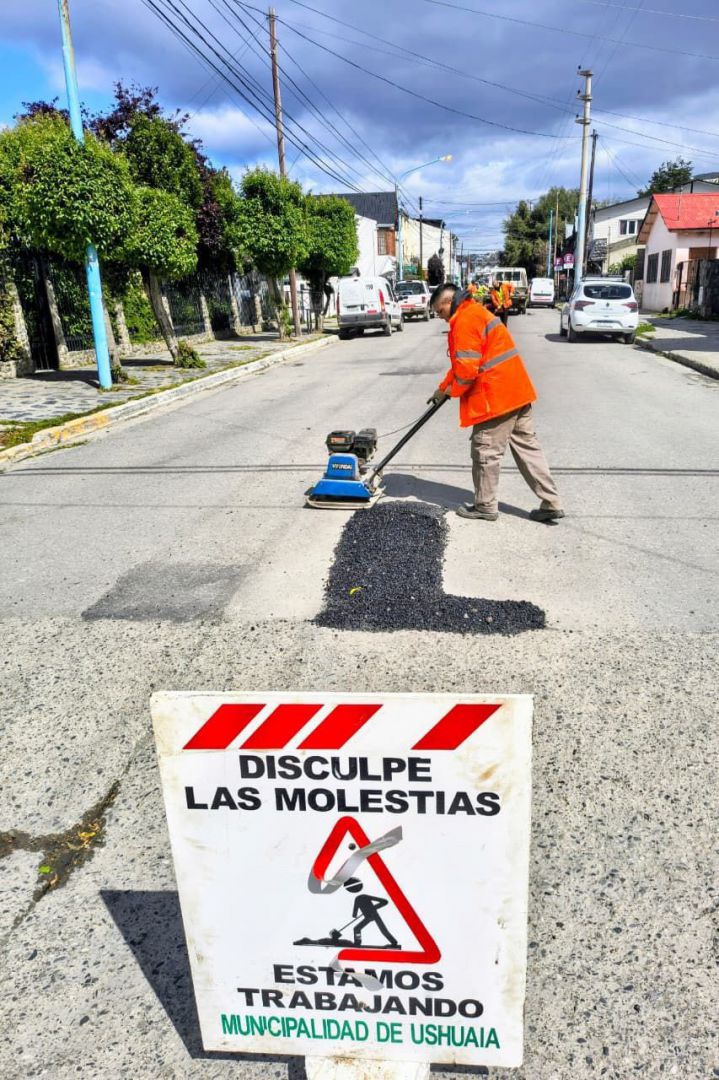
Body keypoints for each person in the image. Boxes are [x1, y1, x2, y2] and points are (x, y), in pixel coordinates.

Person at [427, 282, 564, 522]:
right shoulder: (475, 312)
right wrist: (442, 389)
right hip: (517, 392)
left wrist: (451, 391)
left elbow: (467, 373)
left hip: (496, 399)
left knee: (485, 451)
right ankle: (551, 501)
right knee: (528, 450)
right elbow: (462, 365)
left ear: (449, 302)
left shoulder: (465, 321)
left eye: (440, 311)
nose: (440, 317)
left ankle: (485, 506)